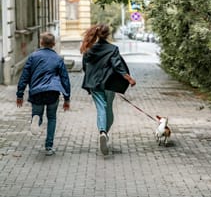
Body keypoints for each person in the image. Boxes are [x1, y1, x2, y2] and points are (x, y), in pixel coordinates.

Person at [80, 24, 136, 156]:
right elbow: (118, 66)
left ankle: (102, 132)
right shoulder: (112, 48)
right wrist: (129, 79)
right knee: (108, 108)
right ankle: (105, 133)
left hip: (94, 84)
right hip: (109, 84)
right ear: (108, 34)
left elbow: (84, 66)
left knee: (101, 108)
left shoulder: (89, 48)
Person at [16, 32, 71, 156]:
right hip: (52, 92)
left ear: (41, 43)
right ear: (54, 44)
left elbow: (24, 76)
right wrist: (67, 98)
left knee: (37, 113)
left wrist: (20, 94)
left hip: (36, 92)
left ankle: (36, 119)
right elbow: (65, 79)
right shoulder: (58, 58)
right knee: (51, 118)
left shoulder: (33, 57)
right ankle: (49, 147)